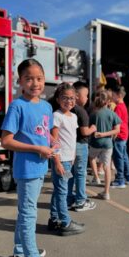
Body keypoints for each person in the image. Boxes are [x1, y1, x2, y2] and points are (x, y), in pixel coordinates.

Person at [1, 59, 62, 257]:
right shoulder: (17, 106)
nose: (35, 83)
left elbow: (46, 131)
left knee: (25, 211)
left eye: (39, 78)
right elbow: (6, 140)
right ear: (20, 82)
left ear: (45, 80)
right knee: (29, 215)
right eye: (29, 78)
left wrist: (51, 141)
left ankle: (20, 253)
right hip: (26, 169)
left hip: (40, 167)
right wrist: (38, 149)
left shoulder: (45, 106)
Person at [48, 82, 85, 236]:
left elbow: (72, 138)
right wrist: (57, 162)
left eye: (72, 98)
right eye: (65, 98)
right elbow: (54, 141)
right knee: (62, 192)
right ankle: (65, 222)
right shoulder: (57, 116)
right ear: (58, 99)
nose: (69, 101)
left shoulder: (74, 116)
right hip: (60, 160)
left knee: (59, 191)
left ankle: (54, 219)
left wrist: (73, 158)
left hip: (68, 160)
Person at [67, 81, 97, 212]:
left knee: (70, 175)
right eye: (86, 95)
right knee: (80, 174)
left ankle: (68, 199)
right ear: (77, 95)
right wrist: (93, 128)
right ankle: (80, 201)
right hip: (80, 146)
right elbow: (85, 132)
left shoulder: (67, 109)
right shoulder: (81, 111)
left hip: (69, 146)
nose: (87, 98)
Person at [89, 90, 121, 200]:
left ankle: (96, 177)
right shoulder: (112, 114)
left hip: (95, 142)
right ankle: (106, 192)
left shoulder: (94, 114)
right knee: (107, 167)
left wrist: (100, 133)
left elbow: (90, 128)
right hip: (108, 144)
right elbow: (117, 130)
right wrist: (105, 134)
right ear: (108, 101)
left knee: (92, 157)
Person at [110, 85, 129, 188]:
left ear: (119, 95)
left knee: (118, 157)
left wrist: (113, 135)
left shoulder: (118, 108)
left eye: (113, 95)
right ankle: (128, 177)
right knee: (124, 156)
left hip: (119, 135)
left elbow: (116, 124)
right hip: (124, 134)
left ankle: (120, 180)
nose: (111, 97)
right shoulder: (123, 105)